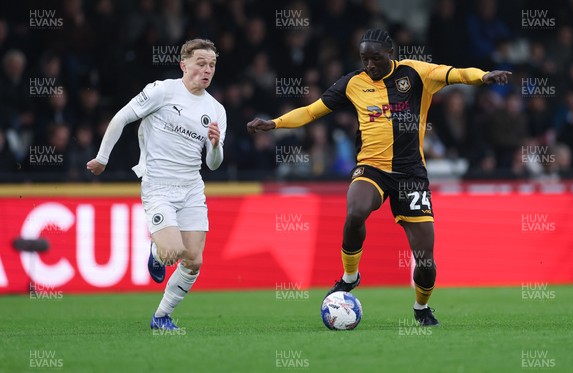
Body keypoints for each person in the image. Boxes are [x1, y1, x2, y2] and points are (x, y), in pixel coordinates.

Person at [247, 29, 510, 326]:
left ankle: (421, 308)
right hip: (371, 168)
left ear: (390, 54)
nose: (369, 65)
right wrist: (274, 123)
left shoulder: (416, 73)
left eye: (375, 58)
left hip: (411, 174)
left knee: (425, 261)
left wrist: (484, 76)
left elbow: (457, 74)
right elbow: (312, 111)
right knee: (355, 211)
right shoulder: (352, 83)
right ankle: (350, 276)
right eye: (364, 59)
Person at [87, 38, 226, 330]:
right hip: (159, 185)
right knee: (172, 251)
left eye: (212, 65)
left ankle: (161, 316)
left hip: (191, 189)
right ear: (183, 64)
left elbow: (213, 163)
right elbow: (121, 117)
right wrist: (102, 157)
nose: (207, 70)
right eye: (201, 63)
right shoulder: (162, 90)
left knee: (194, 261)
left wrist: (214, 145)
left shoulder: (216, 110)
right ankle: (156, 252)